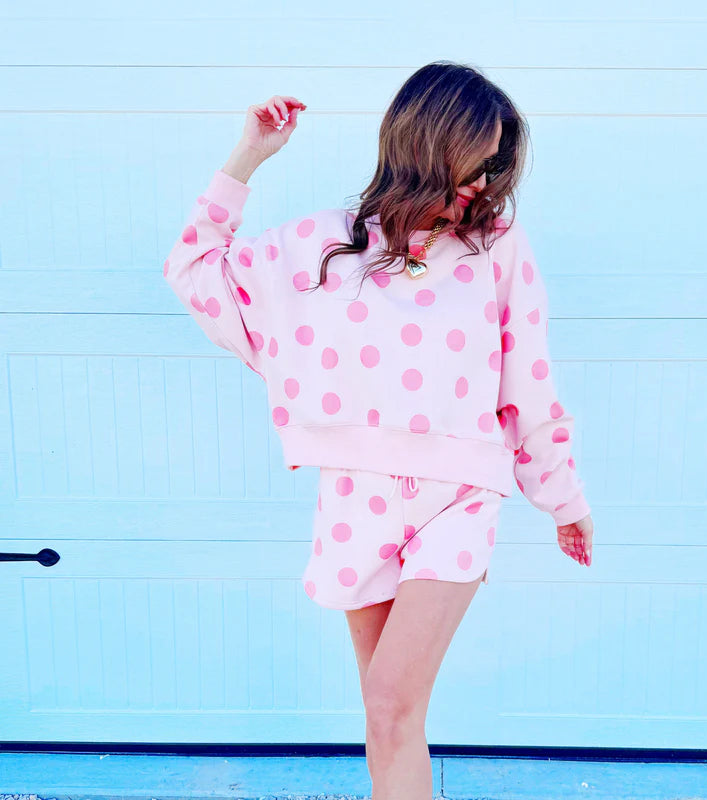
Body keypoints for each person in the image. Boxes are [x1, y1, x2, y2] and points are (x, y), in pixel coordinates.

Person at [163, 60, 594, 800]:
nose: (482, 182)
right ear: (424, 144)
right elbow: (194, 269)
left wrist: (563, 499)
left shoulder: (496, 247)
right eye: (472, 160)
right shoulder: (320, 246)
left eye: (494, 164)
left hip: (459, 495)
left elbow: (529, 381)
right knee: (387, 720)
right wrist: (248, 156)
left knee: (393, 702)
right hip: (354, 495)